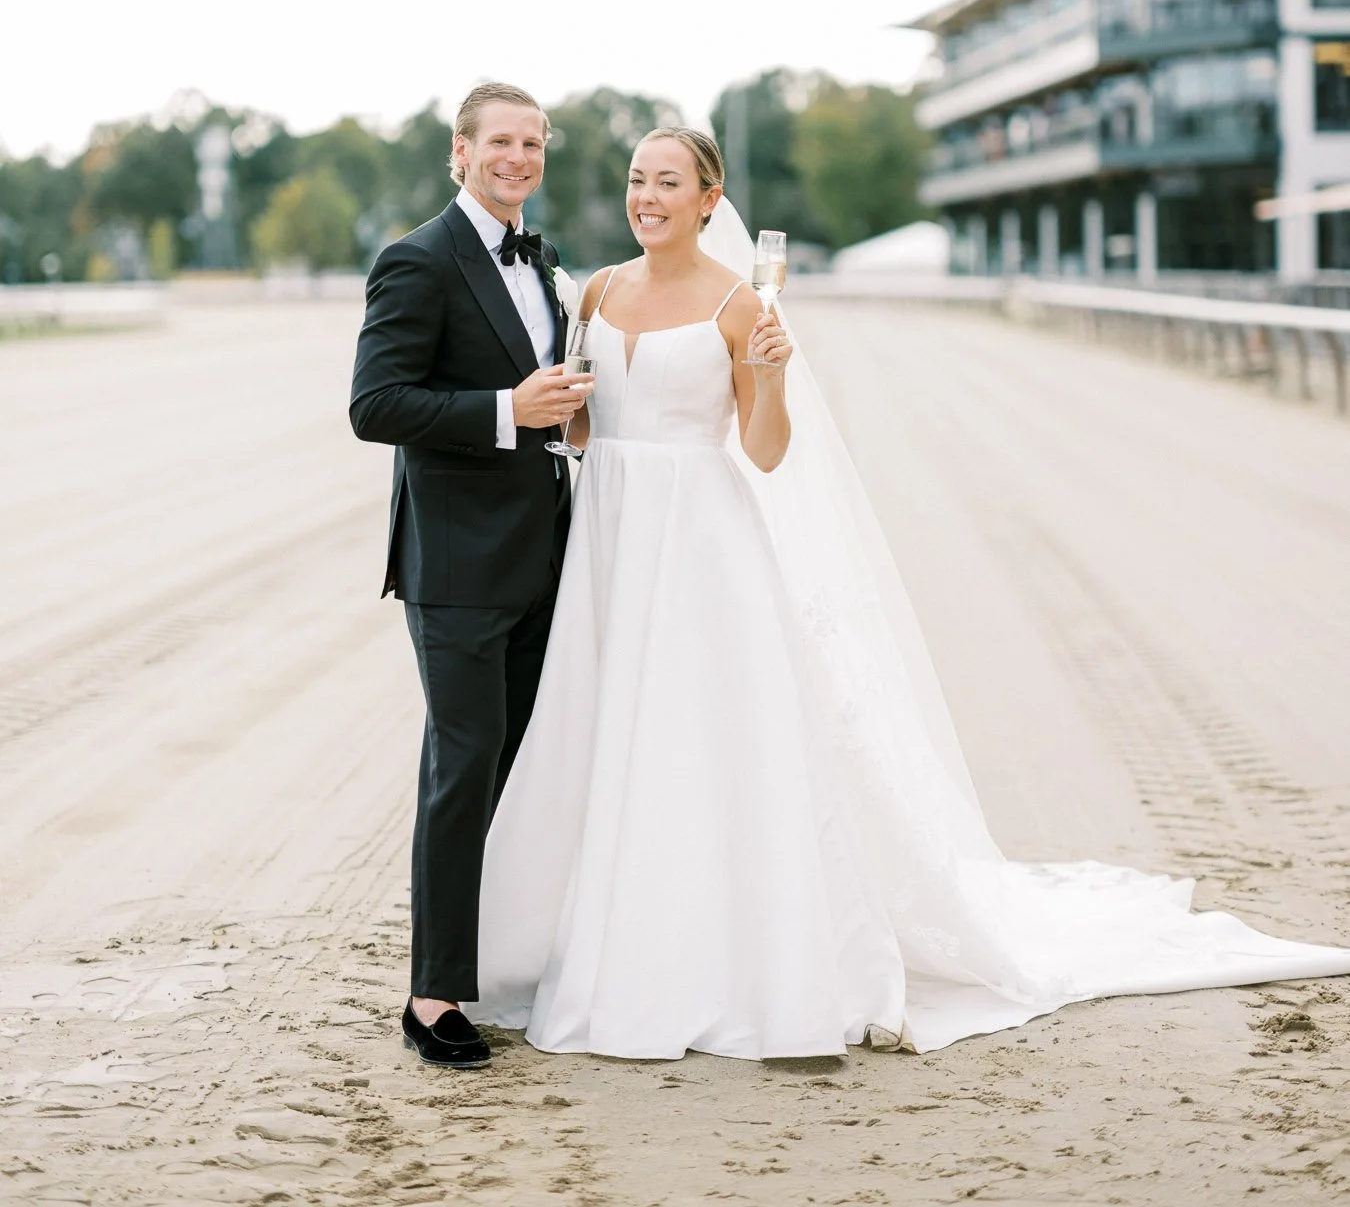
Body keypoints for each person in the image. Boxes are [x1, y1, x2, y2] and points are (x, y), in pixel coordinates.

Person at [465, 126, 1350, 1060]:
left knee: (697, 736)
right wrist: (554, 412)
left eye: (669, 183)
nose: (648, 197)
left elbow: (765, 451)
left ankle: (704, 957)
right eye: (639, 180)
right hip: (611, 536)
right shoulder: (596, 291)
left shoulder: (739, 306)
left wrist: (767, 375)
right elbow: (583, 437)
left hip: (700, 545)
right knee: (601, 730)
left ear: (707, 195)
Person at [349, 81, 592, 1069]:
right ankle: (434, 994)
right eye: (500, 141)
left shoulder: (544, 260)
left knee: (525, 766)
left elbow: (554, 392)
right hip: (453, 566)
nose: (517, 157)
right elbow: (377, 405)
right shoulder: (417, 259)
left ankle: (505, 963)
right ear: (461, 151)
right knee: (464, 767)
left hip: (544, 555)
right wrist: (506, 412)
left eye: (533, 143)